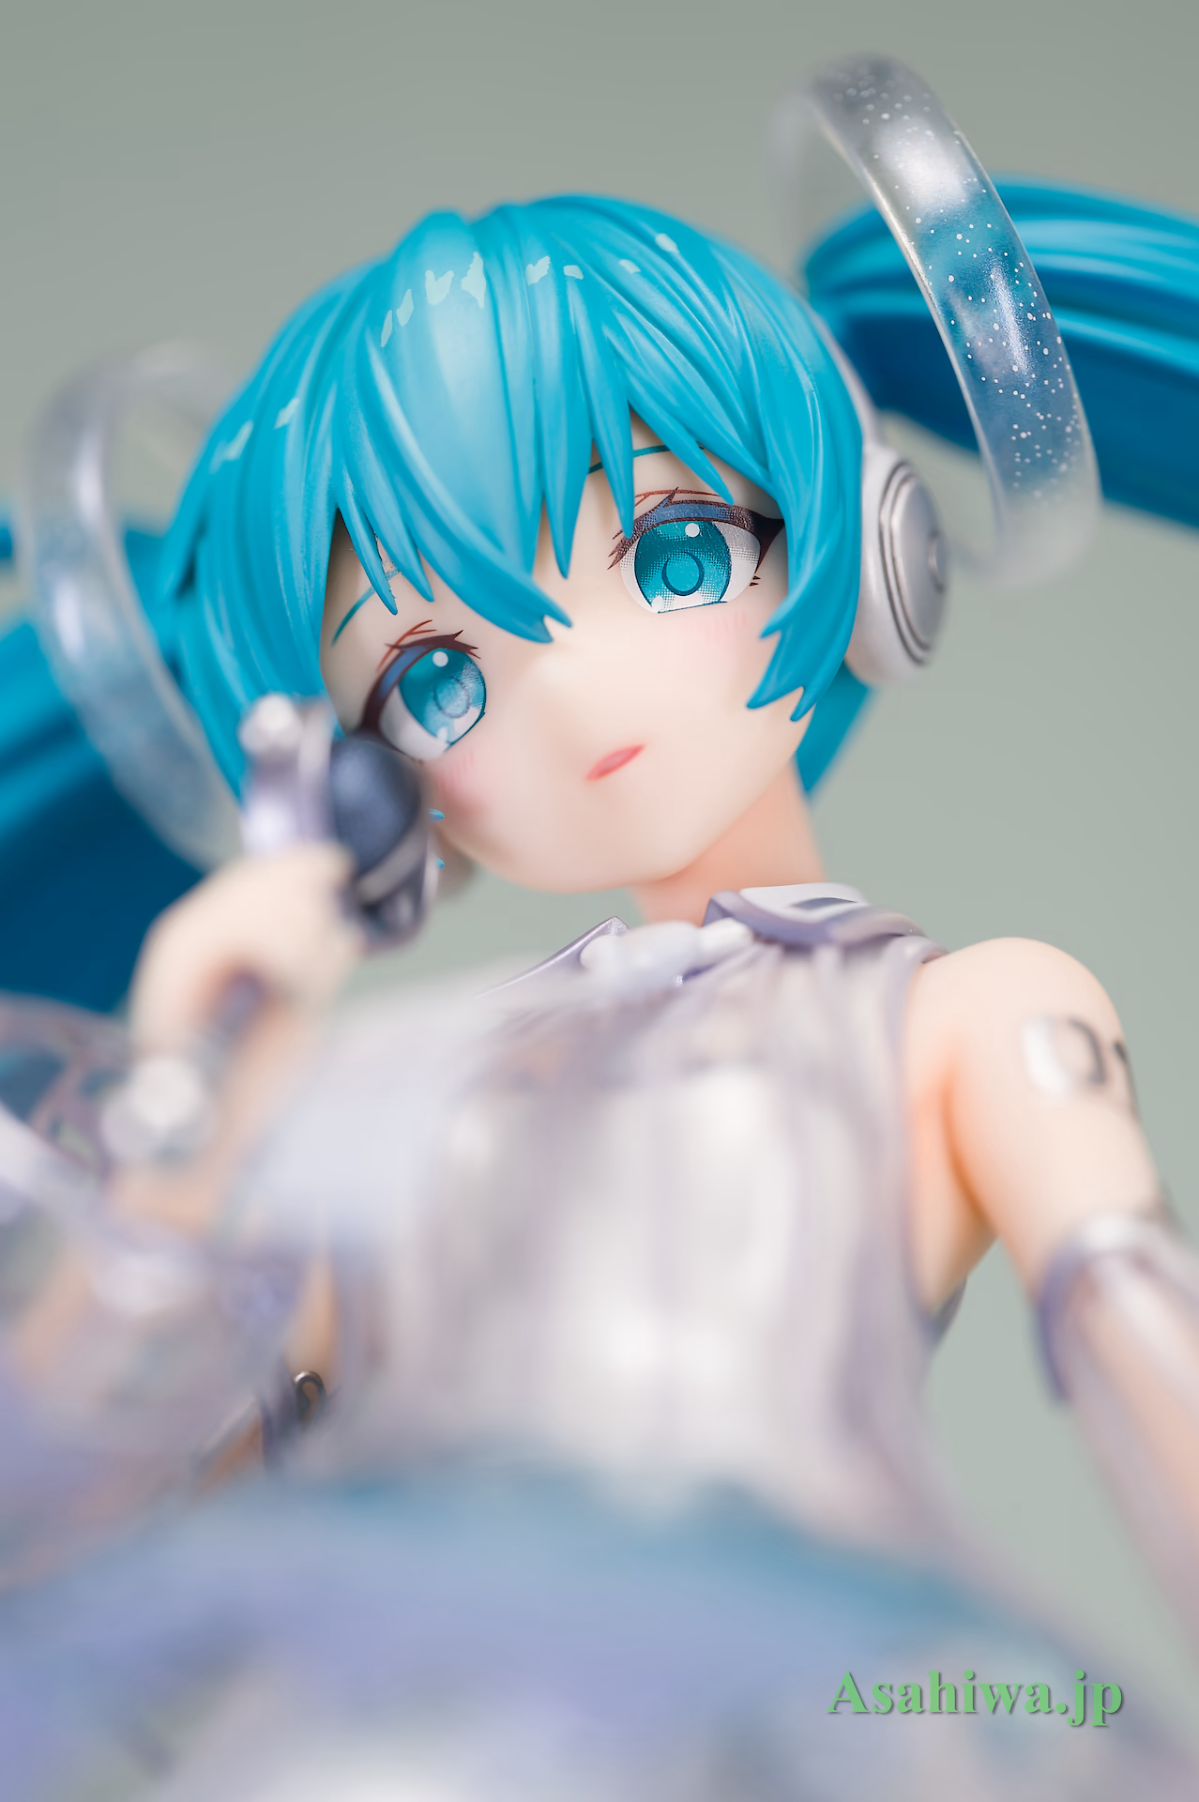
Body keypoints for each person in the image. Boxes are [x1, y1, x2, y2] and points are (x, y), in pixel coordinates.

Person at [2, 54, 1199, 1801]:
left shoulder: (961, 1018)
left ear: (870, 552)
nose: (571, 697)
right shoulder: (375, 1080)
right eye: (435, 678)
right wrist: (189, 1135)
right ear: (361, 785)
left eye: (673, 553)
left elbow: (1141, 1343)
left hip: (824, 1684)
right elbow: (67, 1544)